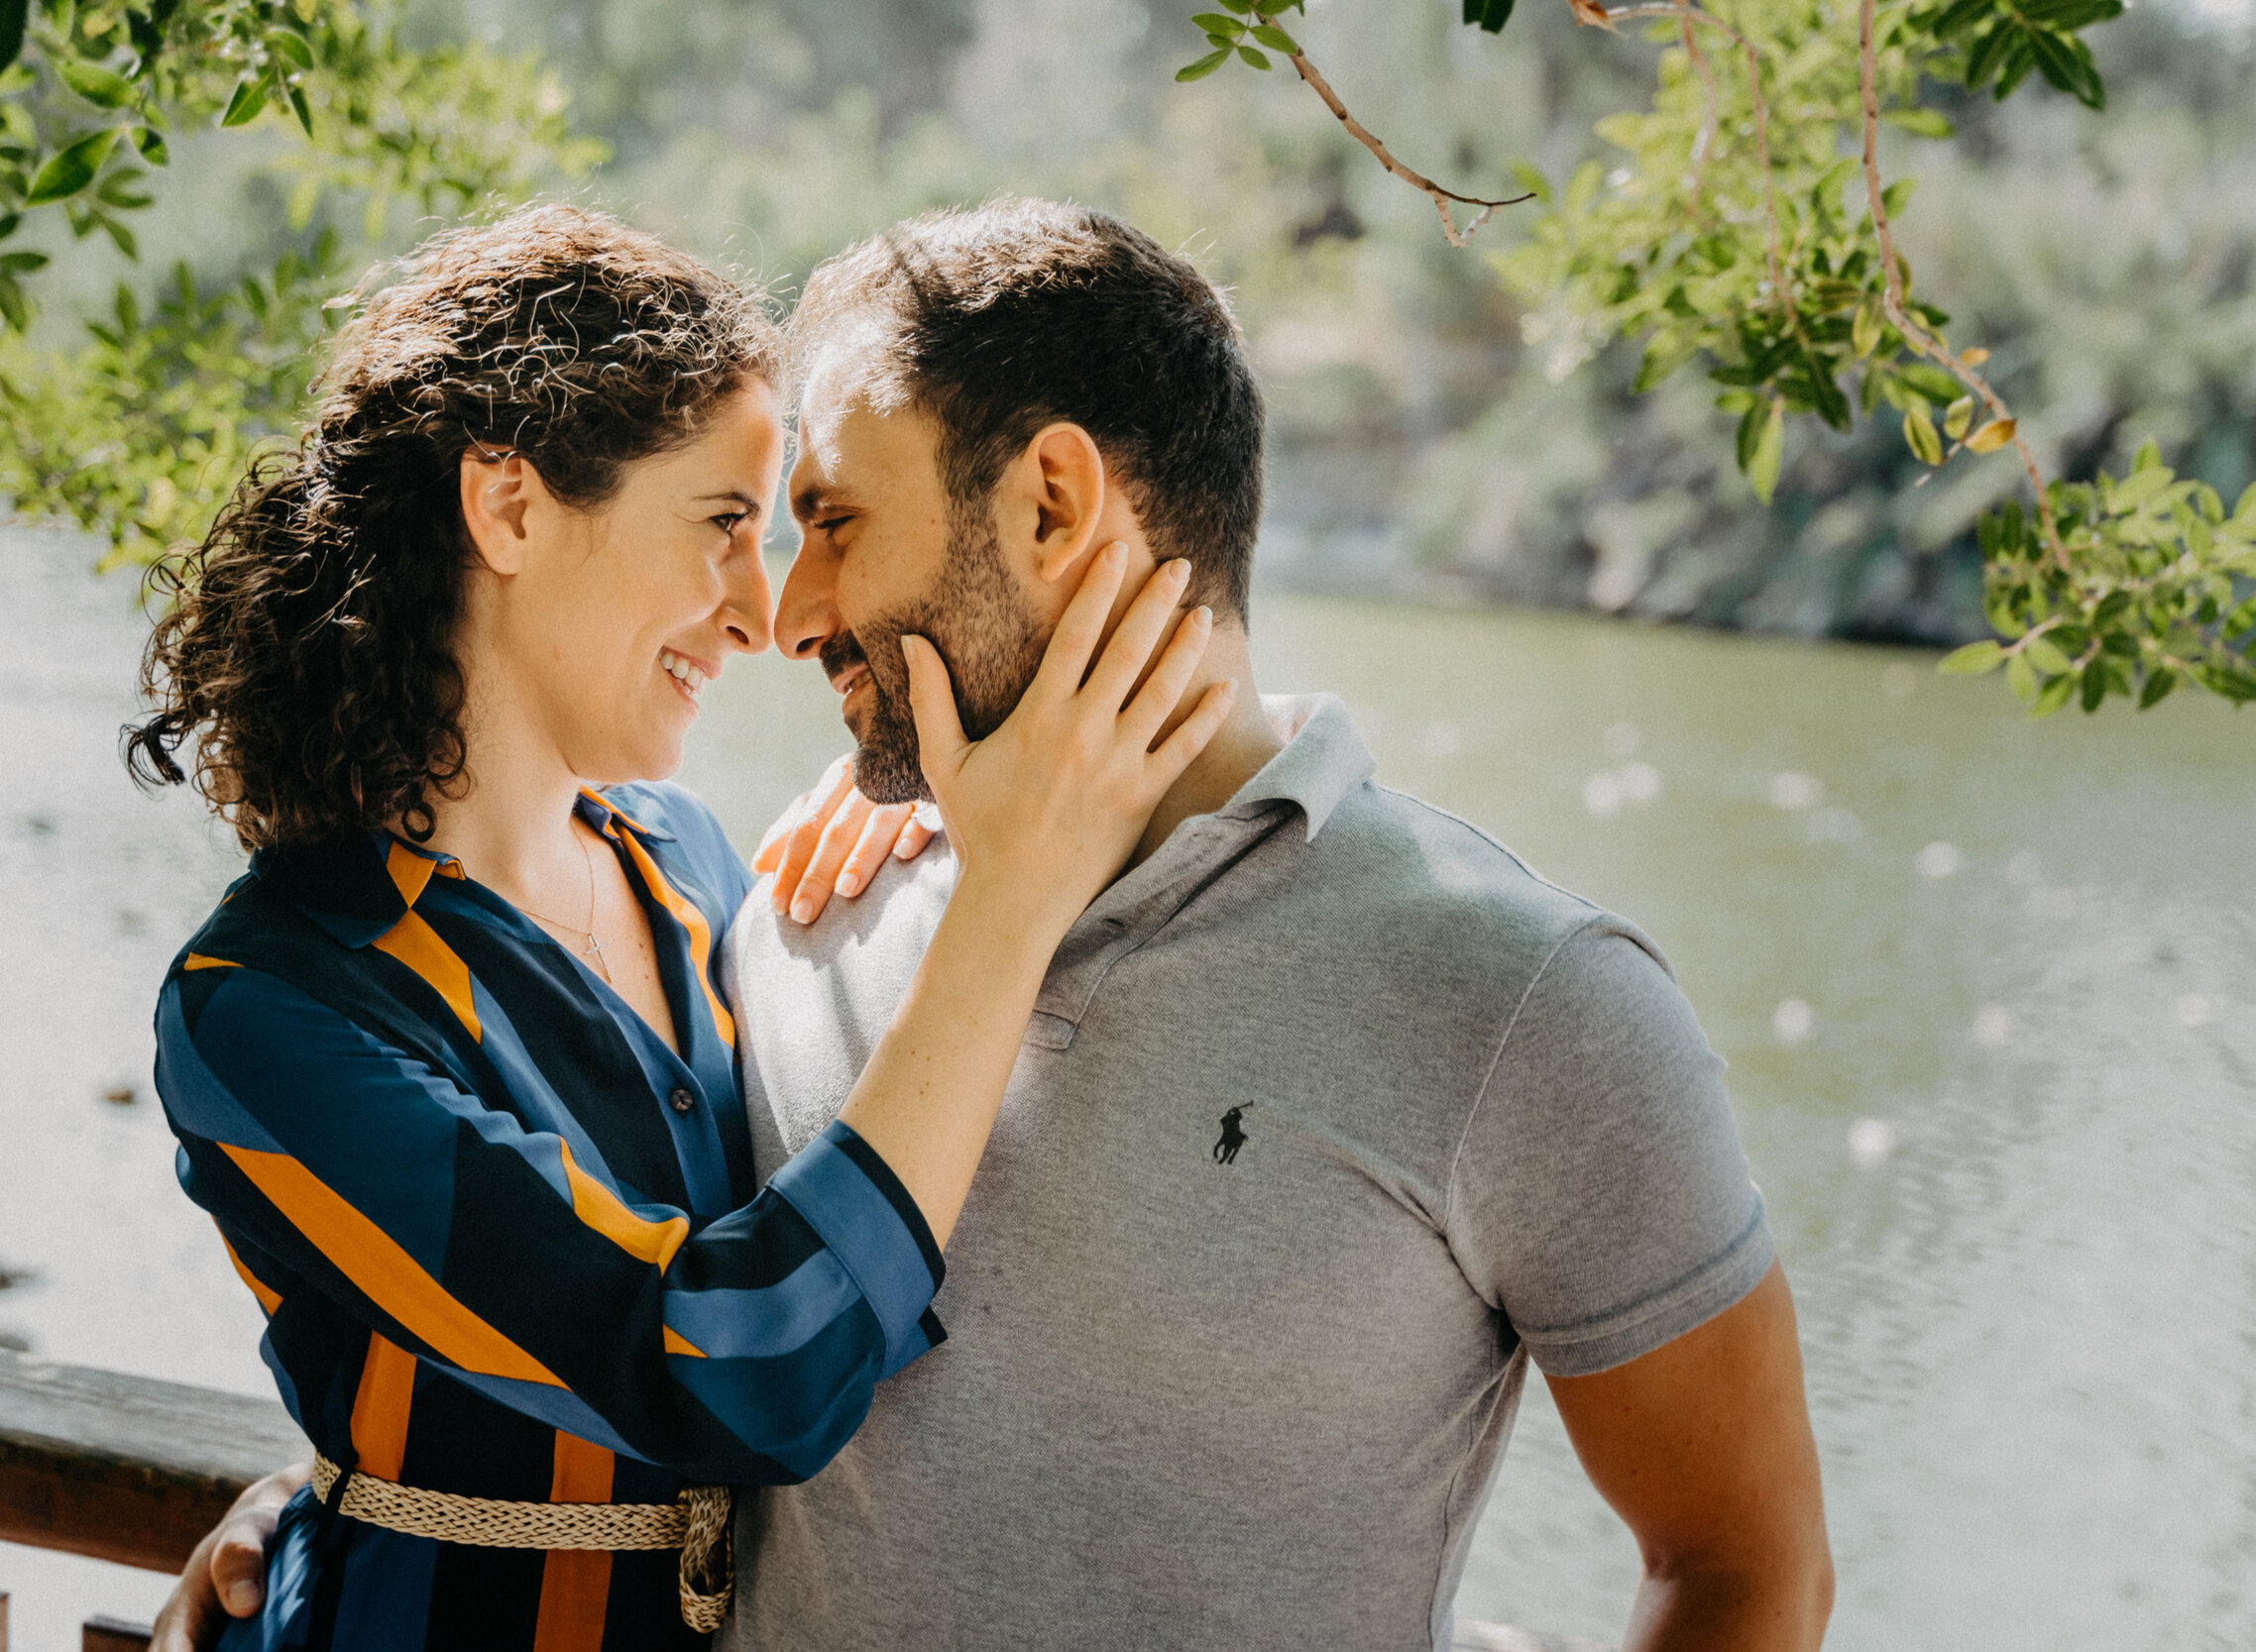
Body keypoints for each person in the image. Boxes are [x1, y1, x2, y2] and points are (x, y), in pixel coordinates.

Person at [163, 199, 1834, 1651]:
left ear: (1049, 504)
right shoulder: (801, 916)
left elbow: (1747, 1566)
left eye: (826, 521)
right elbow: (648, 1344)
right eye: (744, 527)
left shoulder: (1528, 998)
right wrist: (361, 1503)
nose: (782, 615)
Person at [127, 203, 1231, 1652]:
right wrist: (1014, 897)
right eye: (722, 525)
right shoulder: (269, 1006)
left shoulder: (695, 866)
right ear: (508, 508)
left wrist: (930, 798)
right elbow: (731, 1369)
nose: (763, 614)